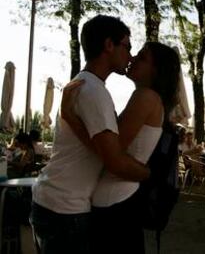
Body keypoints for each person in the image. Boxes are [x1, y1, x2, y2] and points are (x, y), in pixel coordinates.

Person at [31, 15, 151, 254]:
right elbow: (113, 160)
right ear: (109, 45)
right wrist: (147, 173)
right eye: (127, 46)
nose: (130, 55)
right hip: (66, 209)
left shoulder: (83, 85)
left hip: (53, 199)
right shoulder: (94, 92)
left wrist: (71, 119)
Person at [62, 41, 180, 253]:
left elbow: (110, 151)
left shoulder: (145, 97)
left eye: (142, 57)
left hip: (115, 202)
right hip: (119, 199)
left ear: (156, 70)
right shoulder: (151, 99)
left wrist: (70, 117)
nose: (132, 58)